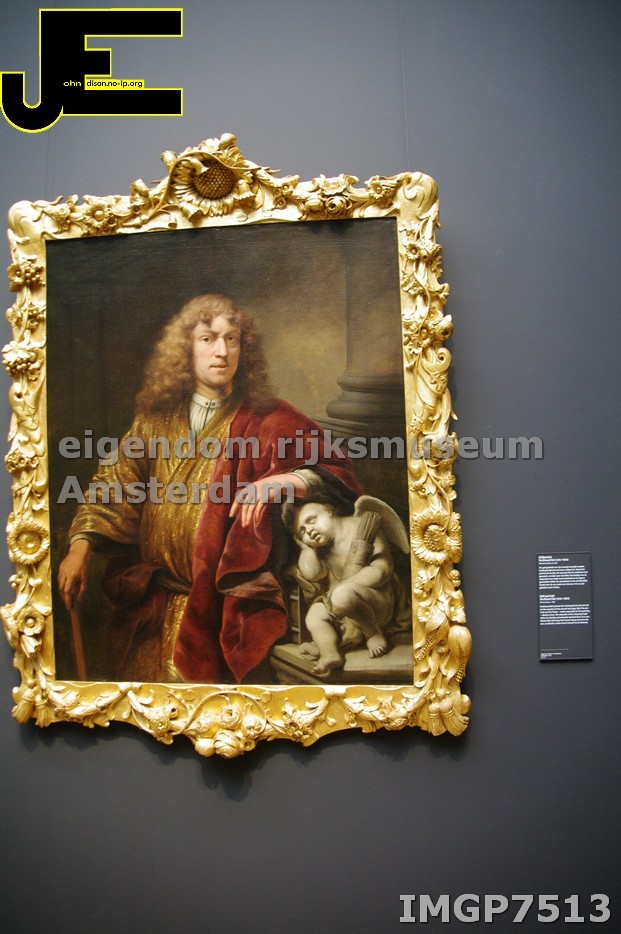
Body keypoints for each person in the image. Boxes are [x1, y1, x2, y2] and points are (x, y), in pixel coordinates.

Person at [58, 294, 360, 683]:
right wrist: (81, 546)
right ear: (186, 348)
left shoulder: (267, 418)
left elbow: (336, 472)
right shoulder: (155, 421)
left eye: (231, 339)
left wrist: (287, 480)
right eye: (208, 338)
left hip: (222, 613)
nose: (222, 351)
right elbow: (116, 482)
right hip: (153, 610)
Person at [283, 493, 409, 676]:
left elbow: (382, 570)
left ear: (329, 510)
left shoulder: (361, 526)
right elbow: (312, 573)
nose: (309, 530)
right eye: (302, 531)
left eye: (311, 520)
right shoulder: (321, 549)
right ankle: (330, 653)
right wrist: (305, 548)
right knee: (314, 616)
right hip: (341, 609)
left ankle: (372, 633)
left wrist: (347, 585)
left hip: (376, 603)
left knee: (342, 595)